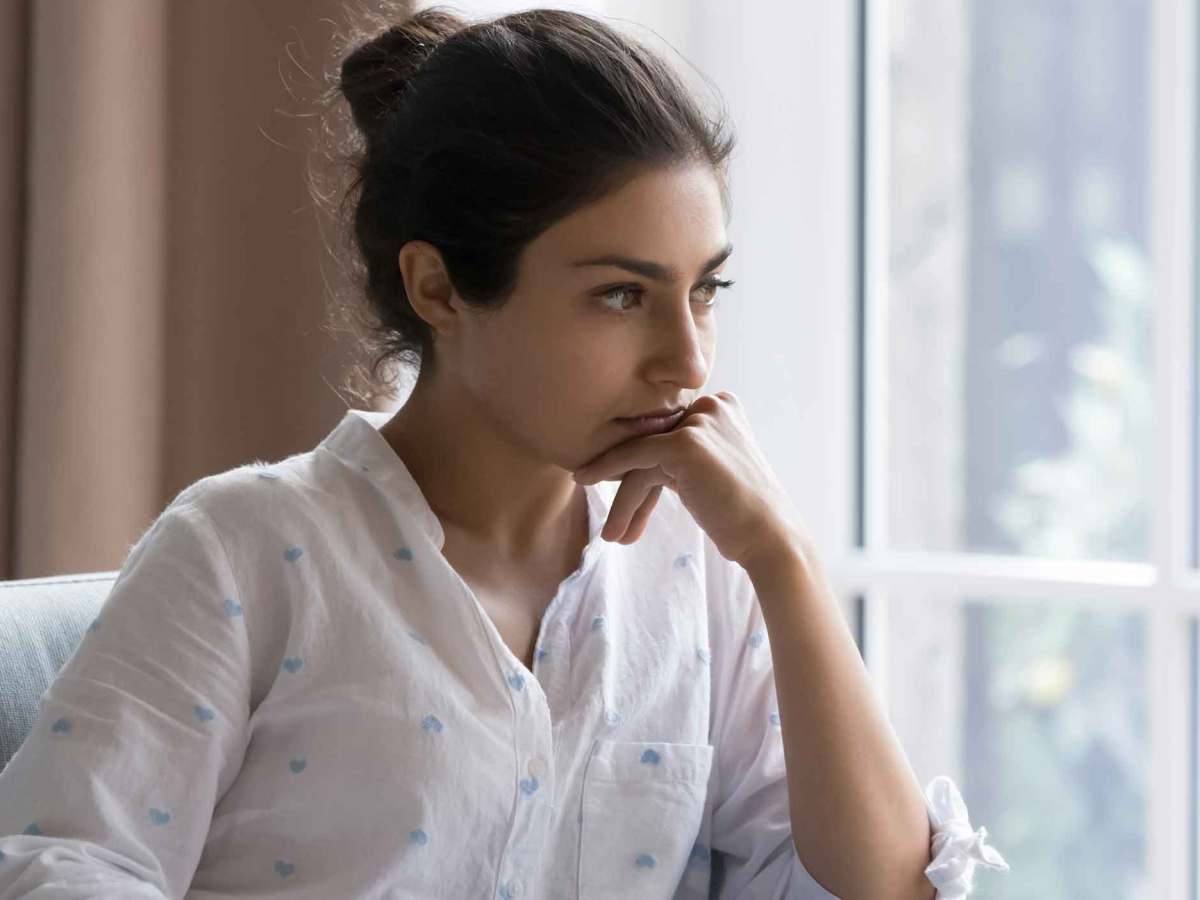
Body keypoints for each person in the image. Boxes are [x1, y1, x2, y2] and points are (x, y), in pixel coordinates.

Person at [0, 5, 1007, 898]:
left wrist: (782, 560)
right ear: (439, 289)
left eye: (704, 290)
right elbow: (60, 865)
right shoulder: (245, 551)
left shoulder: (704, 575)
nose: (686, 360)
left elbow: (886, 889)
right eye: (622, 295)